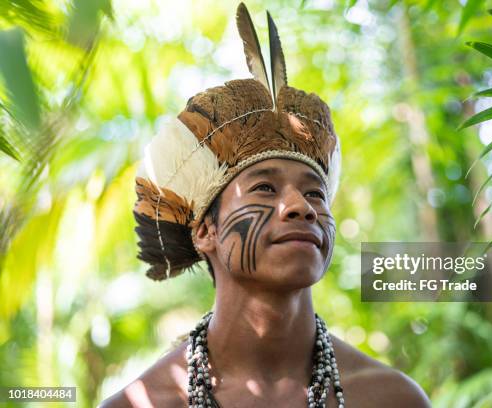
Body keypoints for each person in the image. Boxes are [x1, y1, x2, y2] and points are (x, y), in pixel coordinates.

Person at [99, 3, 430, 407]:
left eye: (315, 194)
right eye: (264, 189)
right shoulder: (145, 402)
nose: (301, 207)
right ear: (205, 231)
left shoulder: (390, 399)